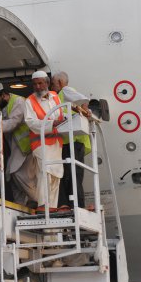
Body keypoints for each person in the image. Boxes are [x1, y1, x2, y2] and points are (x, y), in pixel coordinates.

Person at [0, 82, 34, 207]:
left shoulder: (18, 102)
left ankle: (37, 200)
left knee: (18, 174)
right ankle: (20, 204)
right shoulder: (1, 106)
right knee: (12, 175)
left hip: (25, 147)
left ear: (3, 95)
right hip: (15, 147)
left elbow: (14, 122)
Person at [24, 70, 65, 210]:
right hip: (40, 143)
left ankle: (52, 207)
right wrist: (50, 124)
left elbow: (61, 115)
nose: (38, 86)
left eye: (40, 83)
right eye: (35, 84)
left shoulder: (55, 96)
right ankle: (43, 205)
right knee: (45, 172)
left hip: (56, 142)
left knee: (56, 174)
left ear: (47, 83)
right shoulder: (29, 101)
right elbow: (31, 122)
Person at [51, 71, 92, 209]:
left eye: (53, 83)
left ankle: (76, 206)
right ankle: (71, 204)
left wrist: (86, 110)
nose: (52, 86)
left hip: (73, 140)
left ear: (61, 83)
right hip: (71, 141)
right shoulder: (62, 96)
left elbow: (84, 99)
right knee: (70, 175)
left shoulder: (66, 91)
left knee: (73, 175)